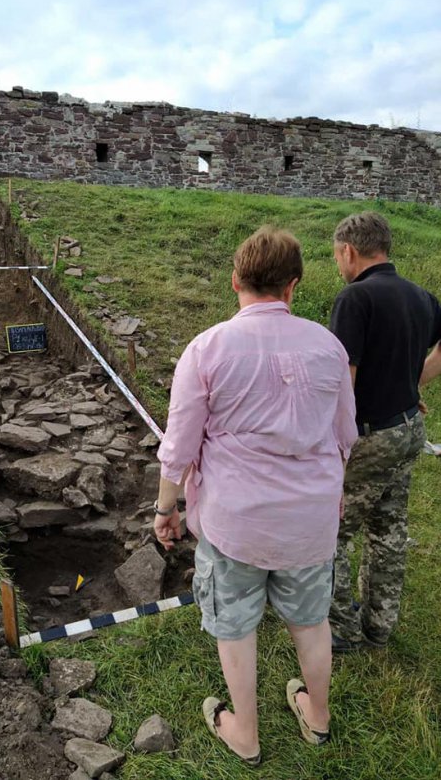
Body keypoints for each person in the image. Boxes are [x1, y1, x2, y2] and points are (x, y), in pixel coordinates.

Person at [154, 226, 357, 764]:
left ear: (234, 281)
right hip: (310, 520)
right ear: (292, 286)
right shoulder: (328, 347)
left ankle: (245, 733)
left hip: (235, 523)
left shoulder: (207, 349)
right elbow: (344, 436)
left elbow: (179, 447)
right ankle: (317, 716)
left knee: (236, 625)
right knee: (311, 621)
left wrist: (166, 508)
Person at [328, 211, 441, 651]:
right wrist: (412, 383)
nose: (338, 265)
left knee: (332, 532)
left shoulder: (355, 299)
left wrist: (331, 441)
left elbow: (345, 380)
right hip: (408, 429)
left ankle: (340, 630)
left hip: (370, 437)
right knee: (388, 529)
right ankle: (378, 625)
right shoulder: (420, 296)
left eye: (337, 256)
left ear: (348, 251)